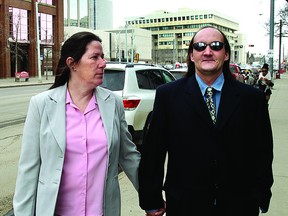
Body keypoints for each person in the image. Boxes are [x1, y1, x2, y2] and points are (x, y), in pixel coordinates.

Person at [138, 26, 273, 216]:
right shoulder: (168, 96)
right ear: (192, 55)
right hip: (185, 205)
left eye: (216, 46)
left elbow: (263, 152)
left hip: (239, 205)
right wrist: (151, 200)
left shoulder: (251, 99)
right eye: (200, 46)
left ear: (226, 54)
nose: (207, 52)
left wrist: (260, 195)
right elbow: (154, 152)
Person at [13, 31, 141, 216]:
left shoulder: (112, 103)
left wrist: (151, 196)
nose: (103, 63)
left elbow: (129, 156)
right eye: (95, 57)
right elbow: (28, 169)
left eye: (102, 57)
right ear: (72, 63)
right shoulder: (42, 104)